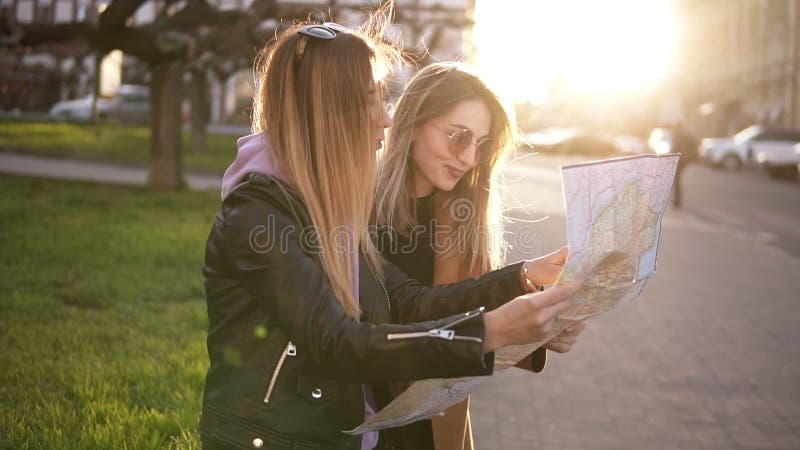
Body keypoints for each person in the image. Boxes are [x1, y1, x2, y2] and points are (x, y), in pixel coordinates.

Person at [200, 7, 584, 449]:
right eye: (370, 99)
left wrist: (523, 278)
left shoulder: (331, 211)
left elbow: (409, 303)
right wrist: (494, 330)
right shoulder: (260, 214)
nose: (385, 118)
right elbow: (337, 343)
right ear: (328, 110)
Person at [374, 63, 586, 450]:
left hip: (435, 429)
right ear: (413, 123)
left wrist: (540, 328)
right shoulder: (354, 206)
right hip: (366, 417)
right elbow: (397, 320)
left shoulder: (462, 218)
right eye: (458, 137)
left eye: (481, 145)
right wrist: (519, 281)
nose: (470, 157)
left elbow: (470, 324)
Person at [669, 122, 698, 208]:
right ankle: (677, 200)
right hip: (684, 160)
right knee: (678, 180)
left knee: (677, 180)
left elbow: (674, 148)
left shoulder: (678, 136)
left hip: (680, 160)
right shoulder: (685, 135)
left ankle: (677, 201)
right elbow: (695, 144)